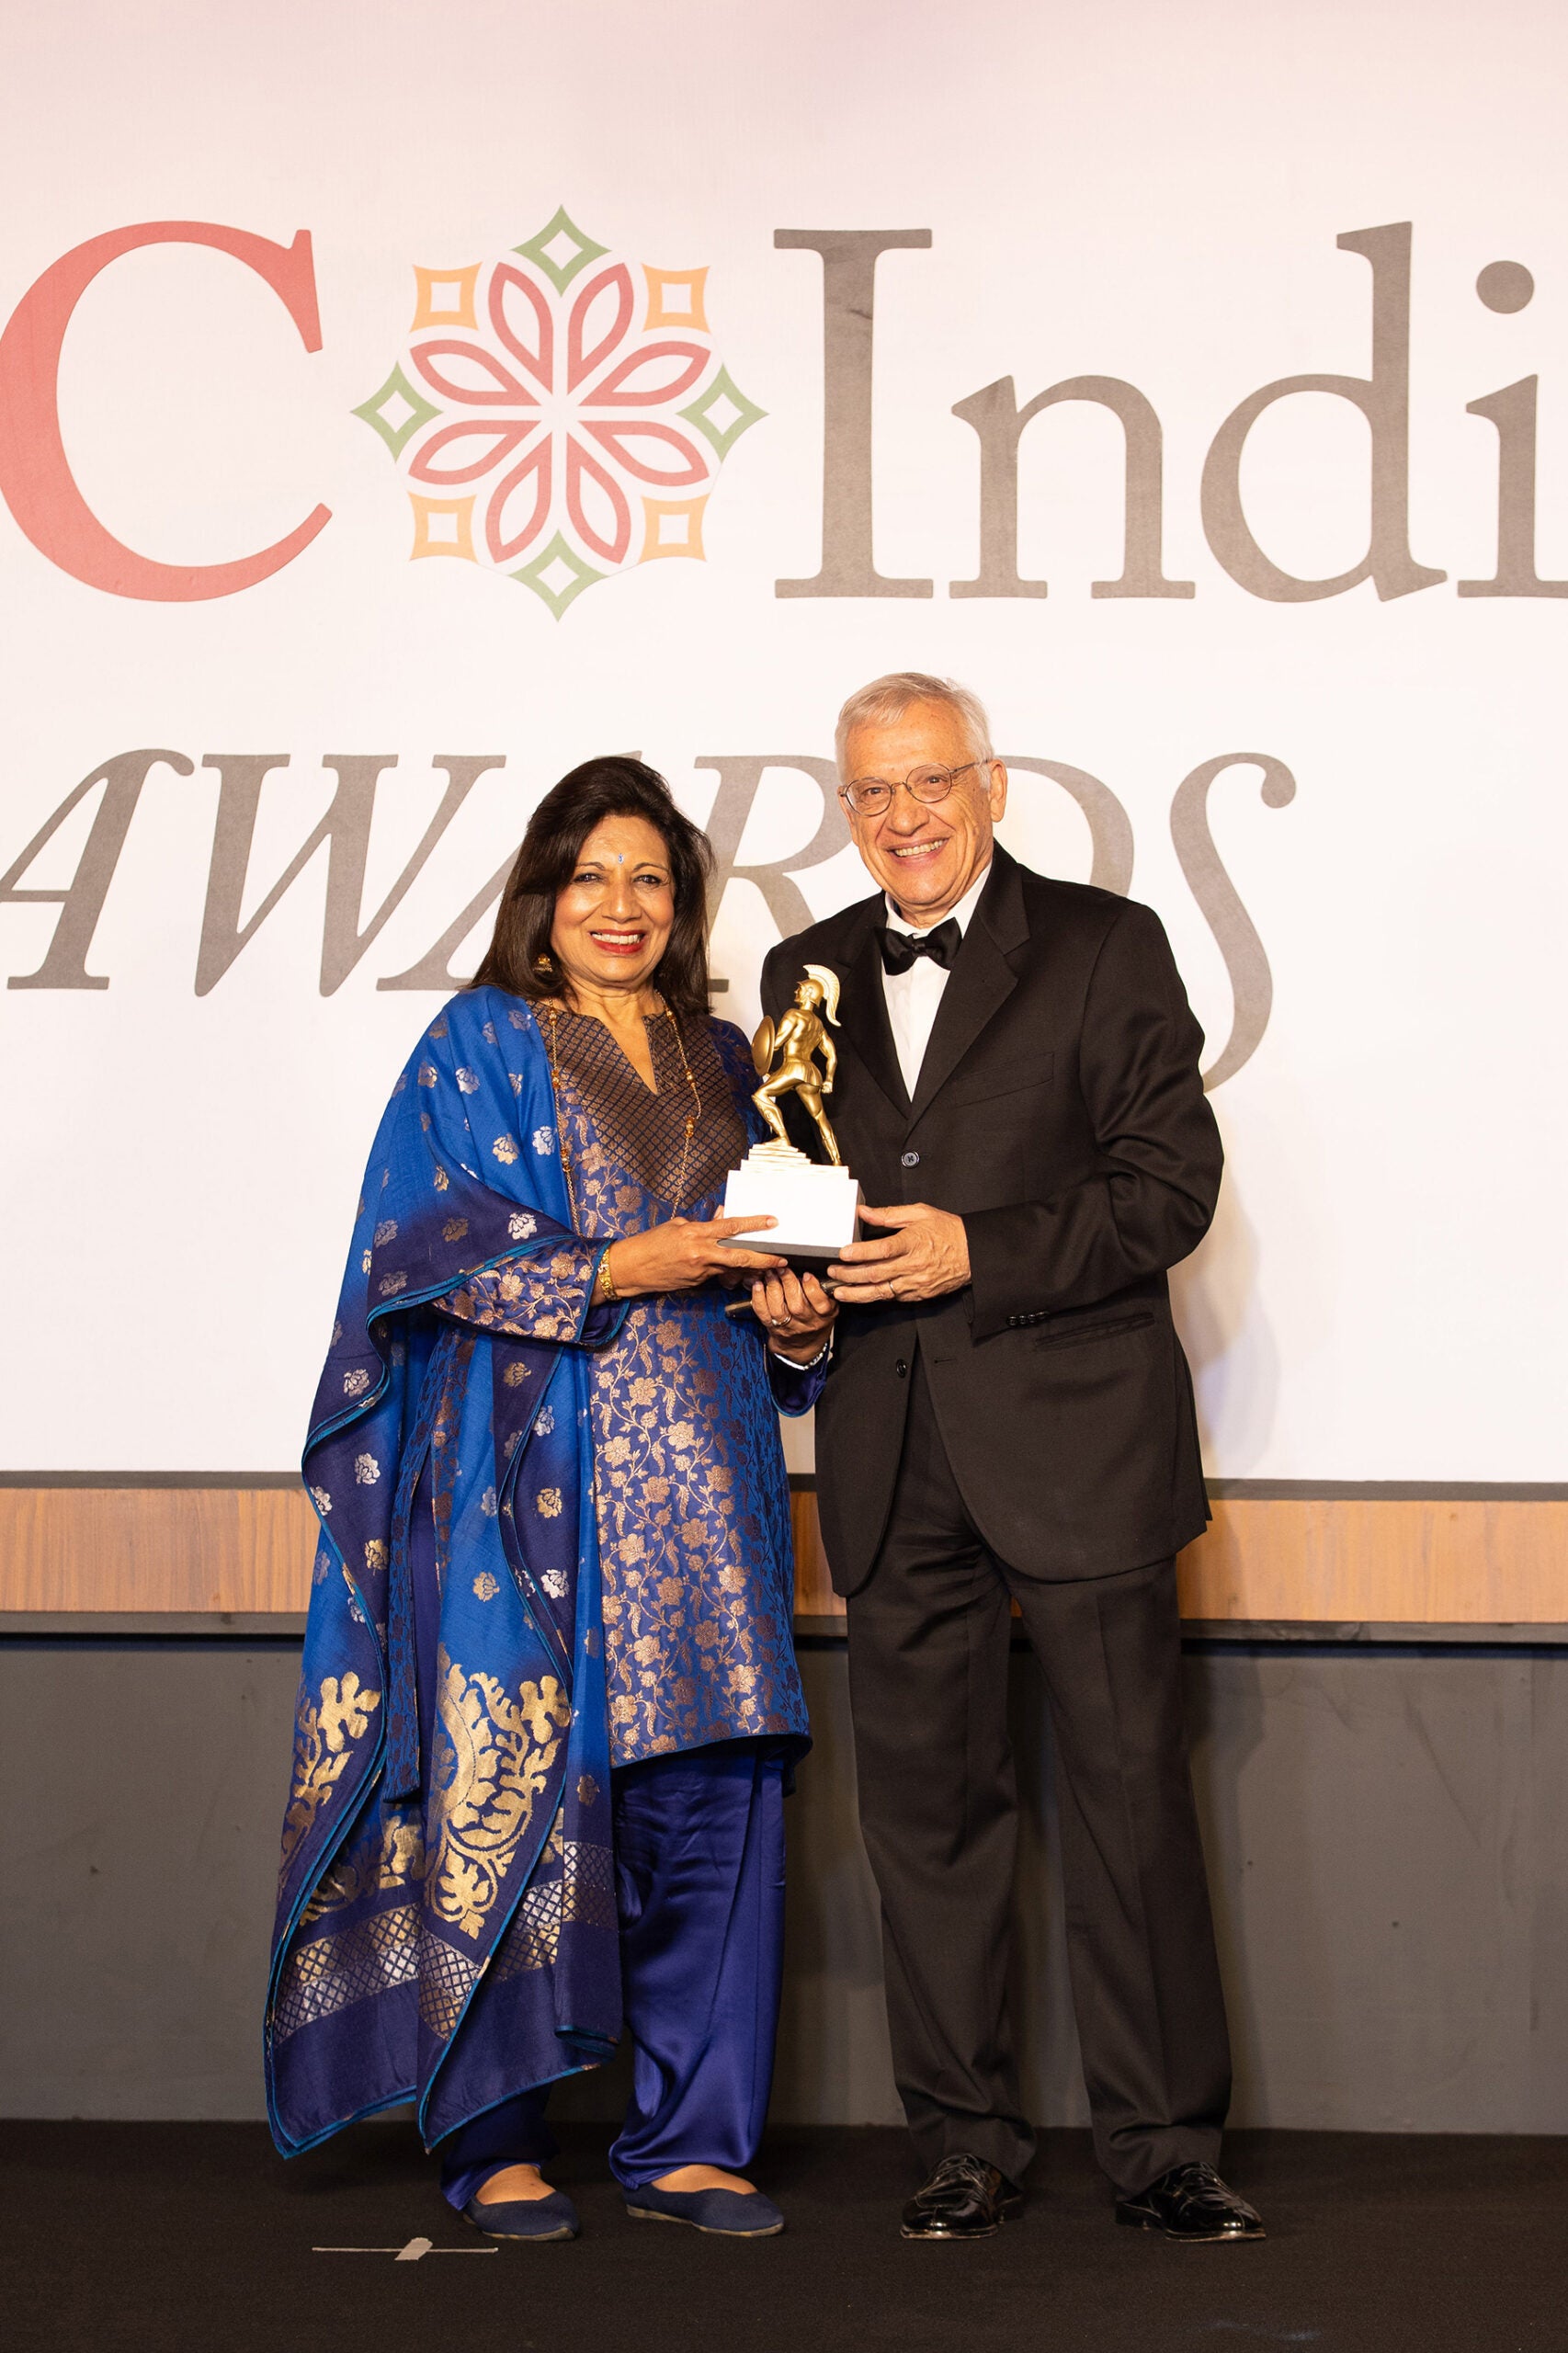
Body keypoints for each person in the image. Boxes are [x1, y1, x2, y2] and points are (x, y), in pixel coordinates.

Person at [267, 757, 836, 2243]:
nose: (622, 904)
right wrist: (612, 1266)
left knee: (711, 1801)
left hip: (709, 1498)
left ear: (684, 904)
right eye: (591, 876)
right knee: (513, 1796)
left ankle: (693, 2140)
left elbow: (770, 1264)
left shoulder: (730, 1056)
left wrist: (796, 1327)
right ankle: (492, 2138)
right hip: (532, 1503)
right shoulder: (477, 1043)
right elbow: (411, 1255)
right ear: (541, 897)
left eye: (650, 879)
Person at [762, 674, 1263, 2245]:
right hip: (888, 1446)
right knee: (926, 1812)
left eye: (927, 785)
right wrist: (783, 1296)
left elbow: (1167, 1189)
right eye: (870, 795)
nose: (901, 818)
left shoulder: (1106, 945)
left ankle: (1165, 2147)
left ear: (987, 785)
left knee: (1126, 1802)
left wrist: (980, 1249)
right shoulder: (803, 971)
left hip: (1081, 1447)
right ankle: (962, 2138)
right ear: (845, 808)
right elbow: (805, 1194)